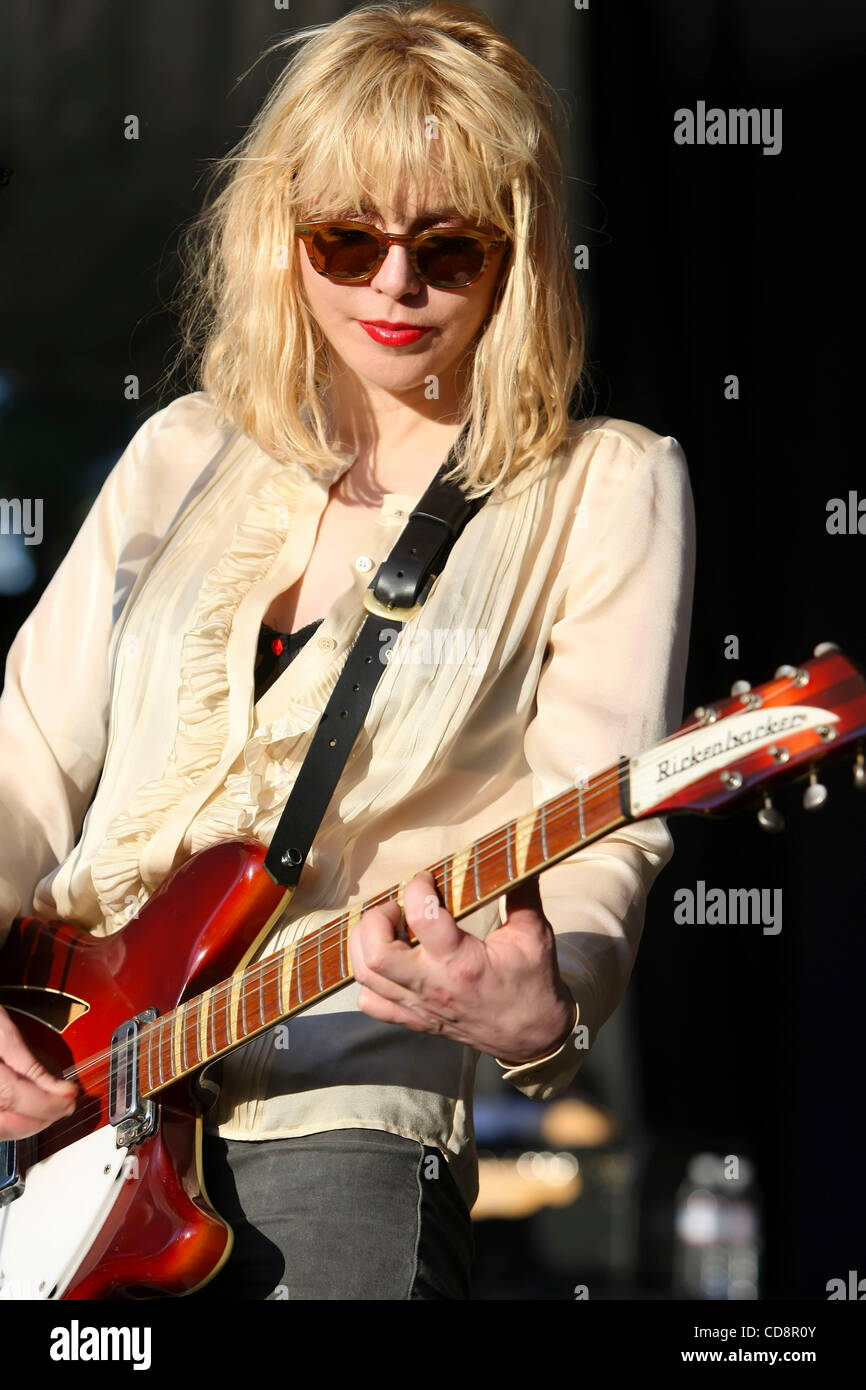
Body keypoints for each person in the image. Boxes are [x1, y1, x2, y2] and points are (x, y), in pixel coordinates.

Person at [0, 0, 694, 1298]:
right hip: (60, 1116)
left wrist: (545, 1013)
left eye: (447, 244)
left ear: (520, 251)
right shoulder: (181, 454)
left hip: (341, 1119)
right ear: (283, 233)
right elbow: (23, 760)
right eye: (346, 237)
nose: (394, 282)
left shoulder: (608, 485)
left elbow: (603, 828)